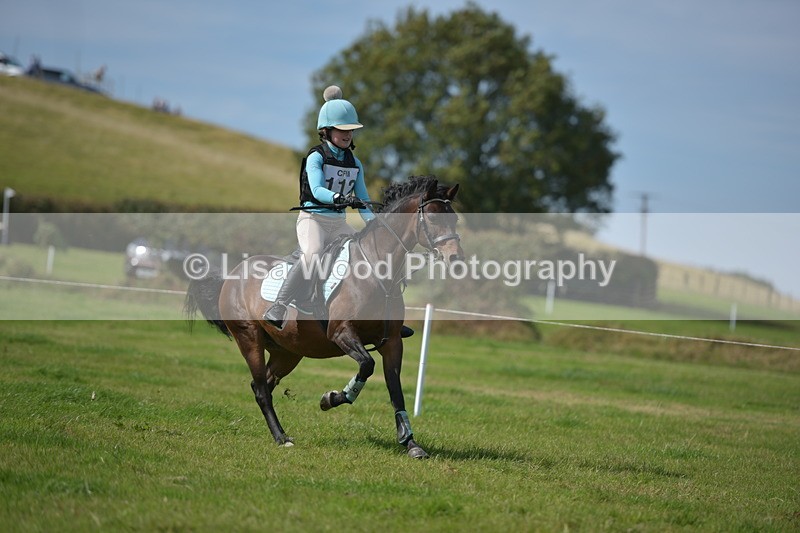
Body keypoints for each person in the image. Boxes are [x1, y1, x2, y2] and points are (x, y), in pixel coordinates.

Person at [264, 85, 375, 329]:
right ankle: (279, 305)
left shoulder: (355, 162)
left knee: (365, 256)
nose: (348, 135)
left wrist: (374, 223)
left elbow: (363, 198)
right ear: (327, 131)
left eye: (351, 130)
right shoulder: (316, 157)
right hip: (313, 219)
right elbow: (316, 191)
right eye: (342, 129)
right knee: (313, 254)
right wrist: (339, 198)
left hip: (338, 224)